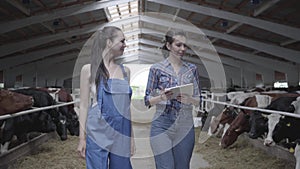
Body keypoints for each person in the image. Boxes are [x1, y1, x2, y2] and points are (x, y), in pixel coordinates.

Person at [77, 26, 134, 169]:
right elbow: (83, 106)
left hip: (121, 131)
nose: (125, 45)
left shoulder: (125, 71)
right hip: (97, 129)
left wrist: (131, 137)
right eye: (122, 41)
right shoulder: (89, 70)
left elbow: (127, 109)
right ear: (109, 42)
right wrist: (82, 138)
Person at [144, 29, 201, 169]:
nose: (182, 49)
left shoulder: (191, 69)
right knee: (166, 166)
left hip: (185, 124)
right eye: (178, 45)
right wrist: (161, 97)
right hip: (162, 124)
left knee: (182, 166)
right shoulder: (156, 69)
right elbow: (147, 100)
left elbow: (199, 99)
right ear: (169, 46)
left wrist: (190, 100)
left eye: (185, 45)